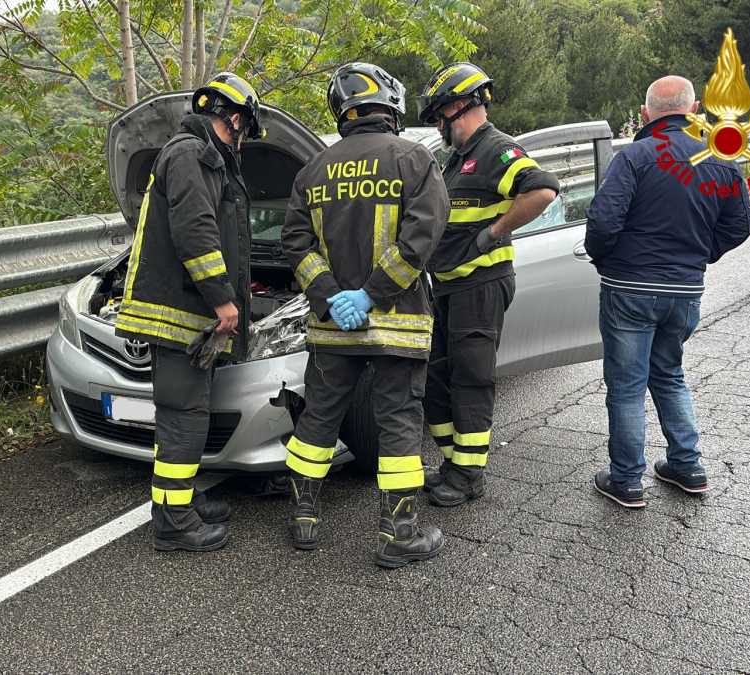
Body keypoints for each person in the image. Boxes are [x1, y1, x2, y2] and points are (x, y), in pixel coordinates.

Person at [282, 62, 449, 568]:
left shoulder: (313, 170)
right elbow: (422, 237)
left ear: (343, 112)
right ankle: (399, 535)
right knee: (398, 419)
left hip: (333, 327)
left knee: (319, 415)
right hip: (396, 322)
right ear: (391, 106)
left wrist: (333, 296)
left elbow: (295, 242)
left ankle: (303, 519)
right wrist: (372, 295)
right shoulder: (415, 159)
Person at [585, 76, 750, 508]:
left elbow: (603, 222)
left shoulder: (635, 157)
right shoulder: (720, 159)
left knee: (626, 385)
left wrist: (608, 262)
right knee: (669, 374)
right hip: (685, 289)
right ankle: (687, 465)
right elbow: (740, 224)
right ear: (693, 108)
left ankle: (625, 480)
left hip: (629, 287)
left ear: (645, 114)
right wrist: (699, 254)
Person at [113, 73, 263, 552]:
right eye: (245, 133)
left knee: (185, 413)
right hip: (176, 311)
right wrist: (223, 298)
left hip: (182, 310)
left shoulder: (195, 155)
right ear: (234, 119)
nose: (242, 144)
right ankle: (174, 521)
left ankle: (178, 498)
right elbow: (196, 231)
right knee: (183, 415)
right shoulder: (190, 155)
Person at [417, 62, 559, 507]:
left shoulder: (497, 148)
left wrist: (491, 234)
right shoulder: (456, 158)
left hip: (481, 285)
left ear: (459, 106)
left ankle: (469, 475)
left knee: (472, 378)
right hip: (446, 287)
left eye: (440, 116)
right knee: (437, 376)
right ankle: (453, 462)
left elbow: (542, 190)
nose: (440, 127)